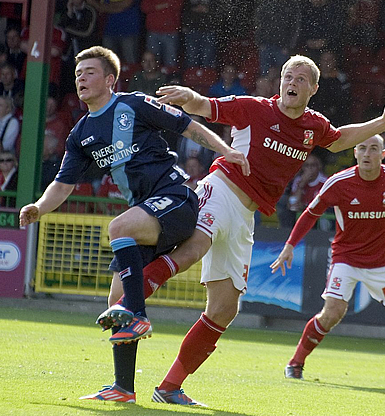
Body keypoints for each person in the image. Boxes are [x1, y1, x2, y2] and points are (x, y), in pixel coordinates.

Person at [100, 54, 385, 406]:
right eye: (287, 75)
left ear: (314, 88)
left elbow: (338, 140)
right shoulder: (254, 108)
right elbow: (207, 106)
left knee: (224, 309)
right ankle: (129, 305)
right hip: (221, 189)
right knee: (193, 248)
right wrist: (189, 97)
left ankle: (169, 387)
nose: (291, 82)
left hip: (246, 217)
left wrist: (383, 122)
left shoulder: (313, 125)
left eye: (301, 78)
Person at [18, 45, 249, 403]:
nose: (81, 78)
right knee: (115, 300)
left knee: (118, 229)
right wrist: (40, 206)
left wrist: (227, 152)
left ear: (109, 80)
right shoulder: (81, 134)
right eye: (78, 74)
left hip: (176, 198)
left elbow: (188, 127)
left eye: (90, 72)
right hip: (145, 214)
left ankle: (138, 314)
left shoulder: (134, 104)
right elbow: (63, 184)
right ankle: (124, 387)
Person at [270, 134, 385, 393]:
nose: (367, 154)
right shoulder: (338, 183)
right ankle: (296, 363)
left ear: (383, 154)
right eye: (362, 148)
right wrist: (289, 246)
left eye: (373, 149)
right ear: (355, 153)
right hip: (346, 258)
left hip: (383, 261)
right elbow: (311, 213)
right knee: (331, 313)